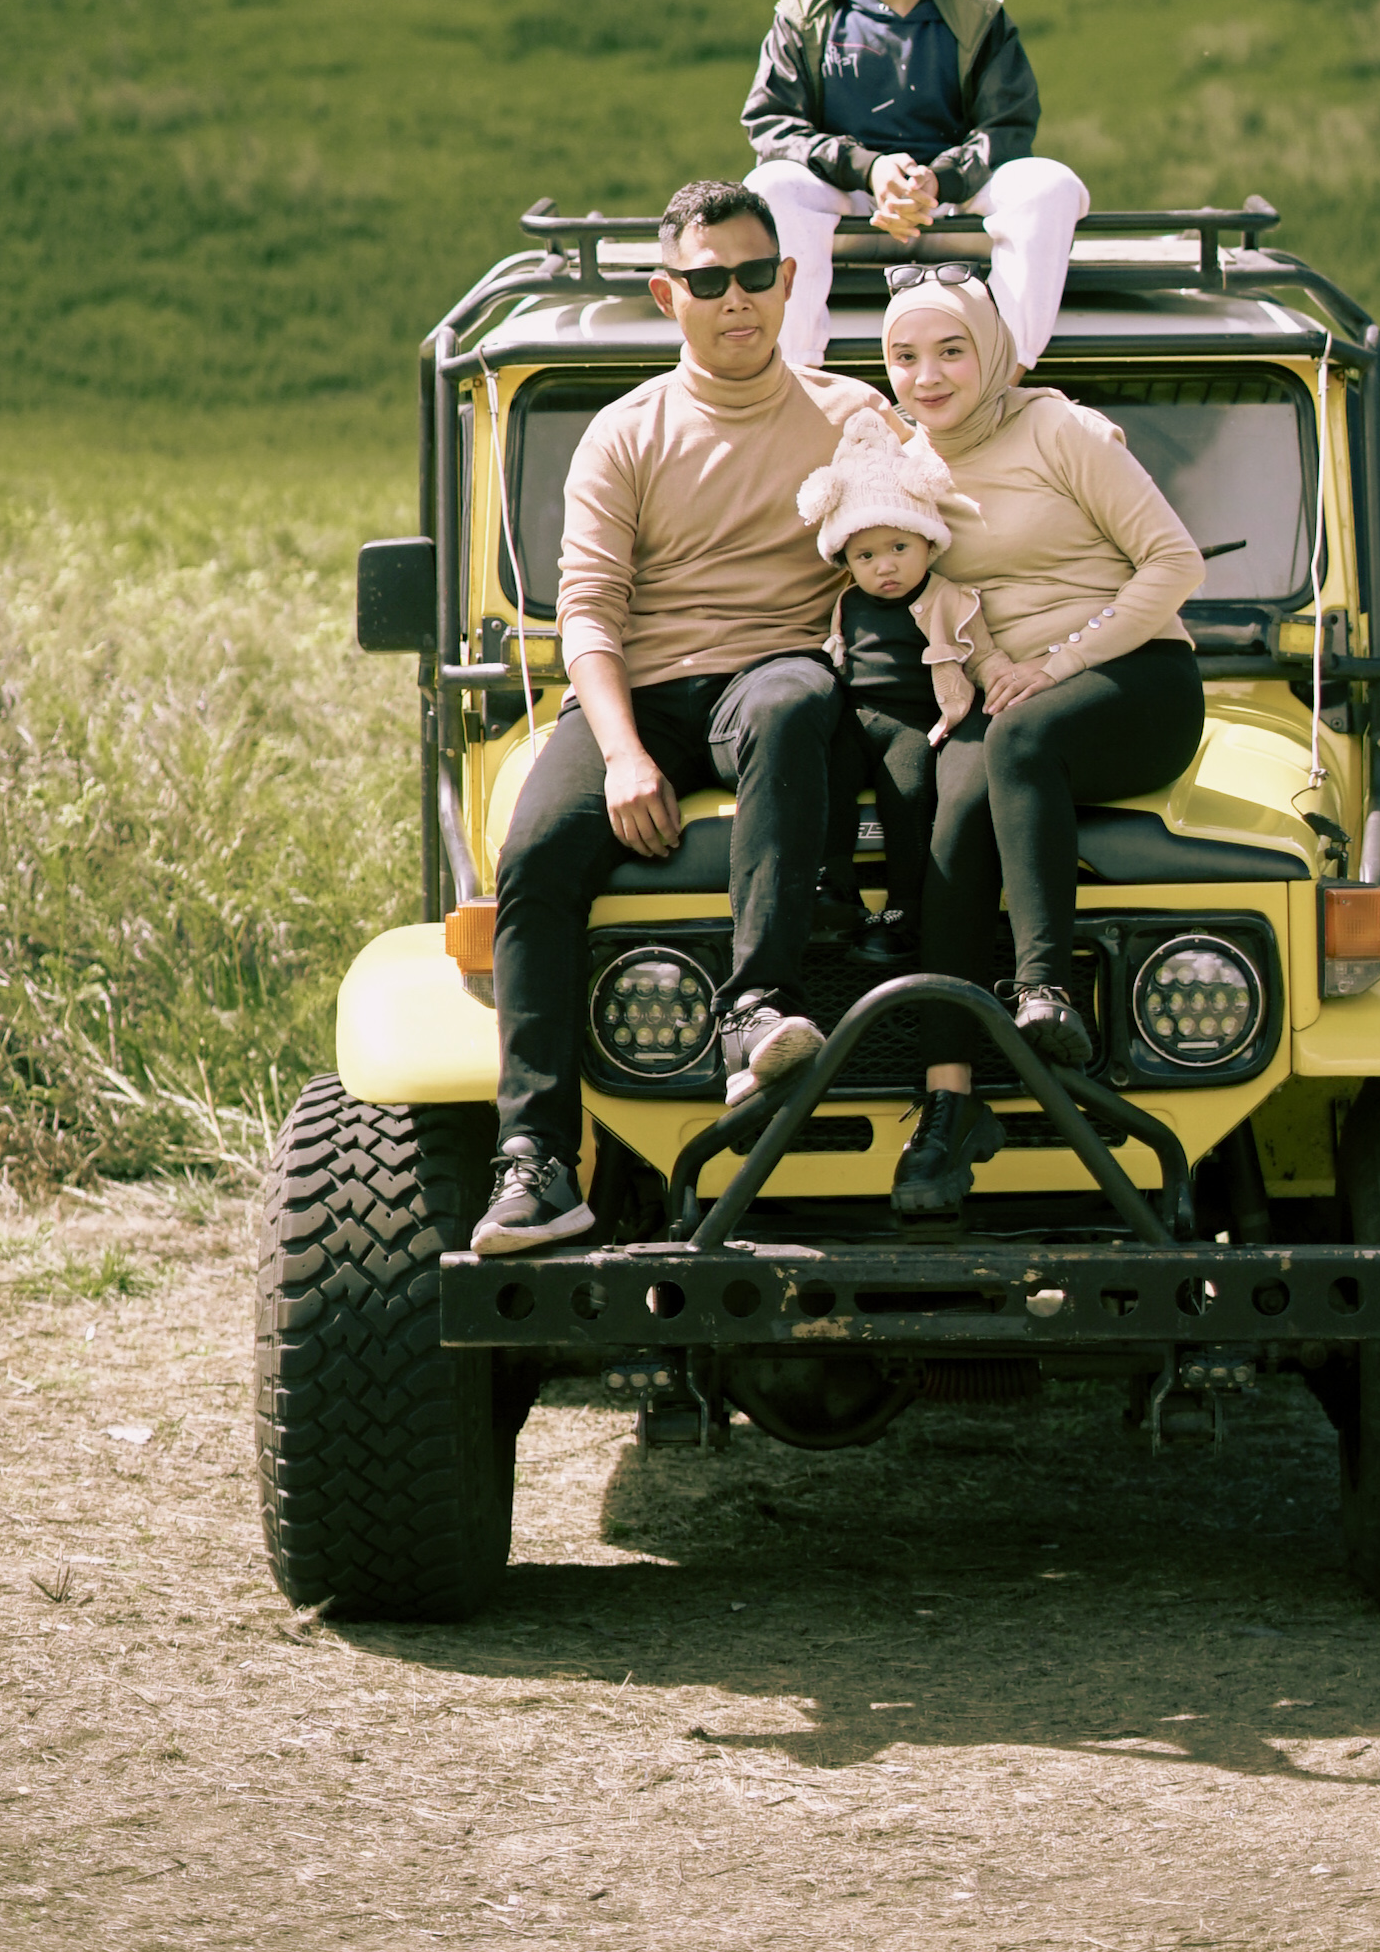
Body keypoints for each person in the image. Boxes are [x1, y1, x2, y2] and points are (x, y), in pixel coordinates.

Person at [471, 178, 887, 1254]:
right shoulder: (624, 432)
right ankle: (536, 1161)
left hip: (772, 677)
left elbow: (921, 543)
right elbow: (589, 614)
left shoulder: (852, 418)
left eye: (756, 275)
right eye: (709, 280)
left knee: (800, 697)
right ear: (670, 294)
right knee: (533, 850)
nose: (736, 298)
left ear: (789, 281)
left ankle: (755, 1011)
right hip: (643, 694)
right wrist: (617, 756)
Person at [876, 270, 1207, 1220]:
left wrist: (1059, 661)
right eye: (904, 356)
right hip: (1008, 696)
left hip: (1132, 675)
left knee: (1018, 738)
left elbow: (1173, 562)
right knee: (949, 817)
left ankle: (1045, 991)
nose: (927, 376)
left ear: (995, 353)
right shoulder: (901, 459)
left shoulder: (1061, 430)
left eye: (951, 351)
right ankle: (949, 1103)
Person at [742, 0, 1091, 373]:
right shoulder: (802, 18)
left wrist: (936, 180)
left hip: (951, 208)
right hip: (848, 209)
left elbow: (1008, 127)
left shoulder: (980, 19)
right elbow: (772, 124)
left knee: (1053, 184)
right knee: (769, 186)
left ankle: (1006, 374)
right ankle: (800, 376)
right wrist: (870, 169)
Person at [795, 404, 996, 972]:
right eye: (866, 555)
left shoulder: (947, 596)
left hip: (915, 721)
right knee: (826, 782)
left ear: (930, 545)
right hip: (855, 717)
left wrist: (1000, 677)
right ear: (846, 564)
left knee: (908, 802)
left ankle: (906, 907)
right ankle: (831, 885)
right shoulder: (847, 603)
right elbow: (834, 655)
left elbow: (980, 650)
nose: (885, 566)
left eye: (899, 548)